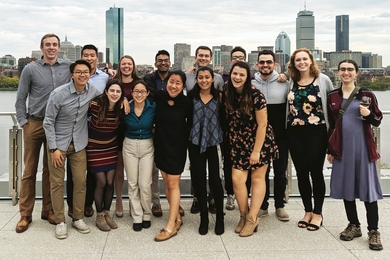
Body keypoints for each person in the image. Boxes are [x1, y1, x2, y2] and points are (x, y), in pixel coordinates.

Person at [14, 33, 71, 233]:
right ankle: (25, 215)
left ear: (59, 48)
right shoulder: (30, 69)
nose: (51, 48)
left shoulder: (67, 66)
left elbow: (86, 74)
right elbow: (21, 98)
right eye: (47, 45)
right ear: (41, 47)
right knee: (29, 170)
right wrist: (24, 123)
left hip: (56, 126)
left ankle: (49, 210)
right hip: (35, 124)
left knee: (51, 170)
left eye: (54, 44)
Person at [327, 59, 383, 250]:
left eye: (350, 69)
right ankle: (354, 225)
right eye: (342, 69)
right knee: (347, 188)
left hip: (363, 149)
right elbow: (330, 125)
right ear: (338, 72)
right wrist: (330, 150)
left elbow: (377, 120)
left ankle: (373, 231)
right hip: (342, 149)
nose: (346, 72)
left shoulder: (366, 94)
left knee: (369, 192)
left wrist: (368, 114)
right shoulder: (332, 96)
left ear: (356, 73)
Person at [43, 59, 102, 239]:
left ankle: (77, 217)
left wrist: (123, 99)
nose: (82, 75)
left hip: (78, 143)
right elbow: (48, 122)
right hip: (58, 145)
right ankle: (60, 221)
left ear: (90, 74)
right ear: (72, 74)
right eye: (78, 72)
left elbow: (108, 98)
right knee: (57, 183)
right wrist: (54, 149)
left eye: (86, 72)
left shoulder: (92, 91)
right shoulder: (58, 94)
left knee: (80, 181)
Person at [225, 61, 278, 237]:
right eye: (235, 74)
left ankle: (252, 218)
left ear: (247, 77)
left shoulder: (256, 95)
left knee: (257, 179)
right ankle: (243, 214)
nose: (237, 77)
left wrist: (256, 151)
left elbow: (263, 125)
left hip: (259, 141)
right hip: (238, 142)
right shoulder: (227, 92)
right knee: (237, 180)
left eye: (241, 75)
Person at [287, 48, 333, 231]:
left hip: (317, 132)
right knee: (301, 172)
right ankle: (307, 210)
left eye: (305, 59)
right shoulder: (291, 81)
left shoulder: (323, 80)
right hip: (295, 132)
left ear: (311, 60)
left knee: (315, 171)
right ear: (294, 63)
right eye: (298, 60)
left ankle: (318, 213)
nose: (302, 62)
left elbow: (333, 105)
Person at [67, 44, 110, 218]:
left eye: (92, 55)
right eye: (86, 55)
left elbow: (113, 94)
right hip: (76, 128)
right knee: (73, 170)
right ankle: (71, 204)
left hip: (95, 129)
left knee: (93, 170)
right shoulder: (74, 75)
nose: (89, 58)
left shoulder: (105, 77)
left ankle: (88, 203)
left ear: (97, 58)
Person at [143, 50, 185, 218]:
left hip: (172, 132)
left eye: (166, 60)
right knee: (155, 170)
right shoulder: (148, 79)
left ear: (170, 63)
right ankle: (156, 202)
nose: (163, 63)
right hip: (153, 128)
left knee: (172, 178)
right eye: (160, 60)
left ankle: (175, 205)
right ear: (155, 63)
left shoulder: (174, 79)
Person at [154, 70, 192, 242]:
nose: (174, 85)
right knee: (167, 185)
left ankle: (171, 225)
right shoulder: (159, 96)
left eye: (178, 83)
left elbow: (191, 127)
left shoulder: (187, 103)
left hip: (177, 147)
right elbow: (140, 90)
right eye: (171, 81)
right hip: (161, 145)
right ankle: (177, 216)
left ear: (183, 86)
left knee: (173, 183)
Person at [252, 50, 290, 221]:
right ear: (257, 65)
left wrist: (286, 76)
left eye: (269, 62)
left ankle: (280, 205)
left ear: (275, 65)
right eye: (262, 62)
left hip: (281, 136)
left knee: (280, 172)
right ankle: (263, 205)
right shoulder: (251, 84)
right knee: (262, 174)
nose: (265, 65)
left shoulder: (285, 83)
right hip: (259, 137)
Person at [185, 45, 223, 214]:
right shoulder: (187, 76)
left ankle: (214, 198)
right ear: (196, 57)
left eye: (206, 56)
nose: (203, 58)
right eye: (200, 55)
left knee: (215, 172)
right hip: (195, 134)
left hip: (213, 134)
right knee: (196, 170)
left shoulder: (219, 79)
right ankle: (197, 198)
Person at [87, 79, 123, 232]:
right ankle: (99, 215)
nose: (115, 94)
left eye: (118, 91)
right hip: (94, 148)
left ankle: (107, 213)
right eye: (112, 91)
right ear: (106, 91)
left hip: (111, 148)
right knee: (100, 181)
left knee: (110, 181)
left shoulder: (120, 108)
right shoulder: (95, 105)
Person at [122, 80, 156, 232]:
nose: (139, 94)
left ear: (147, 93)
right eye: (136, 91)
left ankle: (147, 214)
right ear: (131, 92)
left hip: (147, 145)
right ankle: (137, 216)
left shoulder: (153, 107)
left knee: (145, 184)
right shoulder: (125, 106)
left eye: (142, 91)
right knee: (132, 183)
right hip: (129, 145)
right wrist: (123, 100)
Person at [114, 55, 142, 217]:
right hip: (117, 128)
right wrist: (122, 99)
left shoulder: (139, 82)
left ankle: (134, 202)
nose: (126, 66)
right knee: (119, 167)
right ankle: (118, 200)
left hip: (135, 128)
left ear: (133, 66)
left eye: (129, 64)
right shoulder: (113, 81)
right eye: (123, 64)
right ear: (120, 66)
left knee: (135, 171)